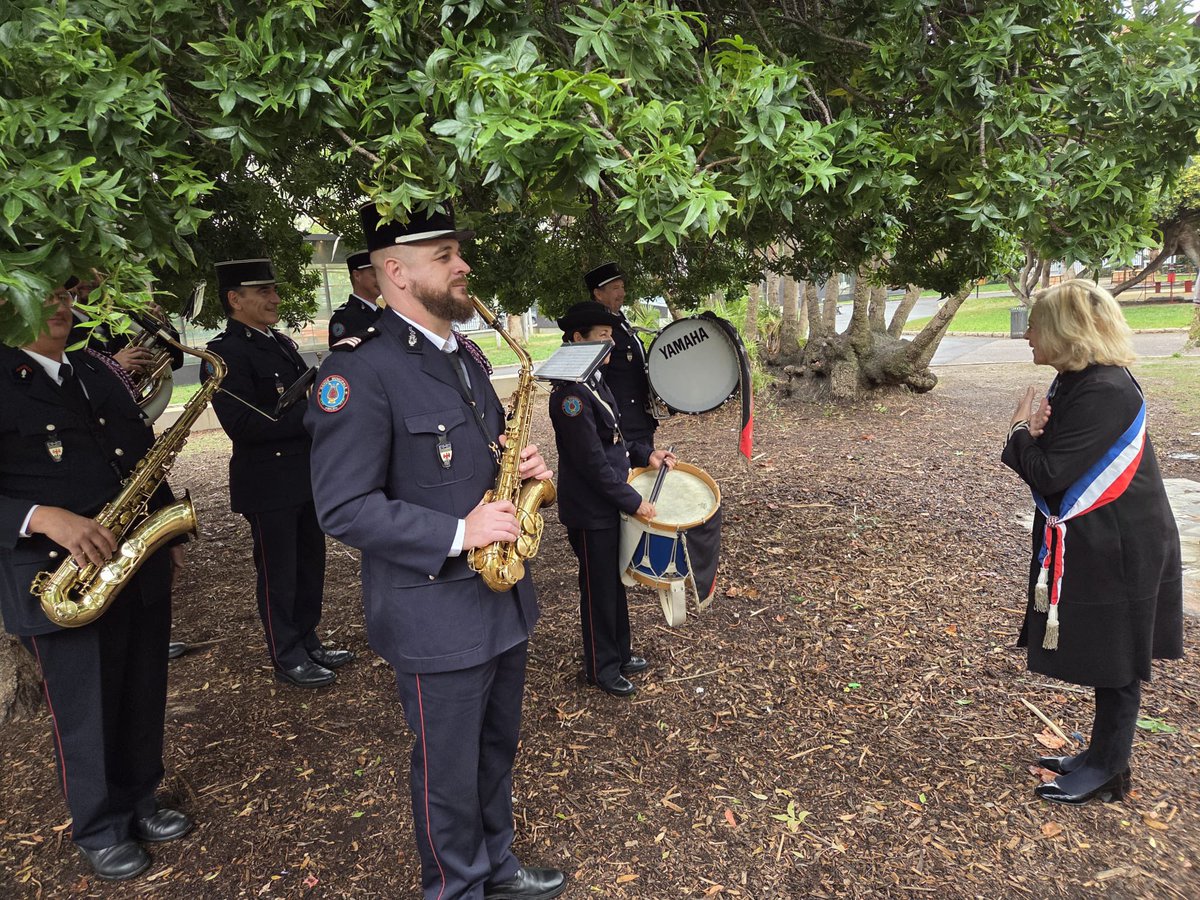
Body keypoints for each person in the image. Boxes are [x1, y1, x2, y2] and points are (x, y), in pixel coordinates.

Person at [305, 201, 566, 900]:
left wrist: (524, 470)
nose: (464, 266)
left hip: (502, 599)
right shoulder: (359, 373)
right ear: (394, 270)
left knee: (493, 751)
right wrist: (460, 533)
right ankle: (455, 887)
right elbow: (343, 506)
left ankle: (497, 865)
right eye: (444, 255)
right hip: (434, 614)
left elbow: (470, 466)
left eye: (459, 251)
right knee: (446, 769)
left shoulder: (467, 356)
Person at [0, 282, 193, 881]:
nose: (60, 310)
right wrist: (39, 517)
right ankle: (98, 826)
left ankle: (140, 798)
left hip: (133, 563)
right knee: (85, 708)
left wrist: (165, 536)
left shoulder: (92, 368)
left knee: (141, 687)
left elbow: (139, 457)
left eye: (65, 297)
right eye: (44, 300)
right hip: (57, 577)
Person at [1002, 279, 1183, 806]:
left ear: (1065, 331)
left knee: (1120, 655)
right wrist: (1033, 435)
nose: (1028, 333)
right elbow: (1058, 458)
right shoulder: (1075, 380)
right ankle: (1099, 755)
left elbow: (1051, 473)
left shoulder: (1104, 389)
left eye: (1036, 324)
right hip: (1098, 537)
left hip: (1122, 544)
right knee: (1108, 649)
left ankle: (1110, 769)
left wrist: (1018, 432)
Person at [205, 258, 353, 688]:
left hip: (304, 477)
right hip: (267, 484)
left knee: (310, 564)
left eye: (274, 289)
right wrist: (316, 410)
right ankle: (286, 653)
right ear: (235, 299)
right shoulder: (224, 354)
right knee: (279, 573)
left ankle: (308, 638)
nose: (275, 298)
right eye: (263, 291)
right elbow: (246, 426)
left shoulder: (282, 343)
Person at [548, 301, 675, 697]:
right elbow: (591, 463)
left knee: (614, 582)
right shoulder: (570, 397)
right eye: (601, 336)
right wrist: (631, 501)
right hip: (591, 512)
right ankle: (600, 668)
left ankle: (620, 653)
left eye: (610, 335)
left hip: (608, 505)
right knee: (598, 588)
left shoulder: (595, 383)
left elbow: (614, 439)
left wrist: (646, 454)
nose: (610, 342)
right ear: (576, 339)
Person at [583, 261, 657, 443]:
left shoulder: (621, 321)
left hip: (640, 418)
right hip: (622, 425)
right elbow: (595, 382)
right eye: (615, 288)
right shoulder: (596, 330)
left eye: (622, 287)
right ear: (598, 294)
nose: (622, 293)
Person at [327, 249, 382, 347]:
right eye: (375, 275)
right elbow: (343, 359)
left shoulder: (383, 312)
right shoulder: (344, 318)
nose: (381, 280)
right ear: (357, 276)